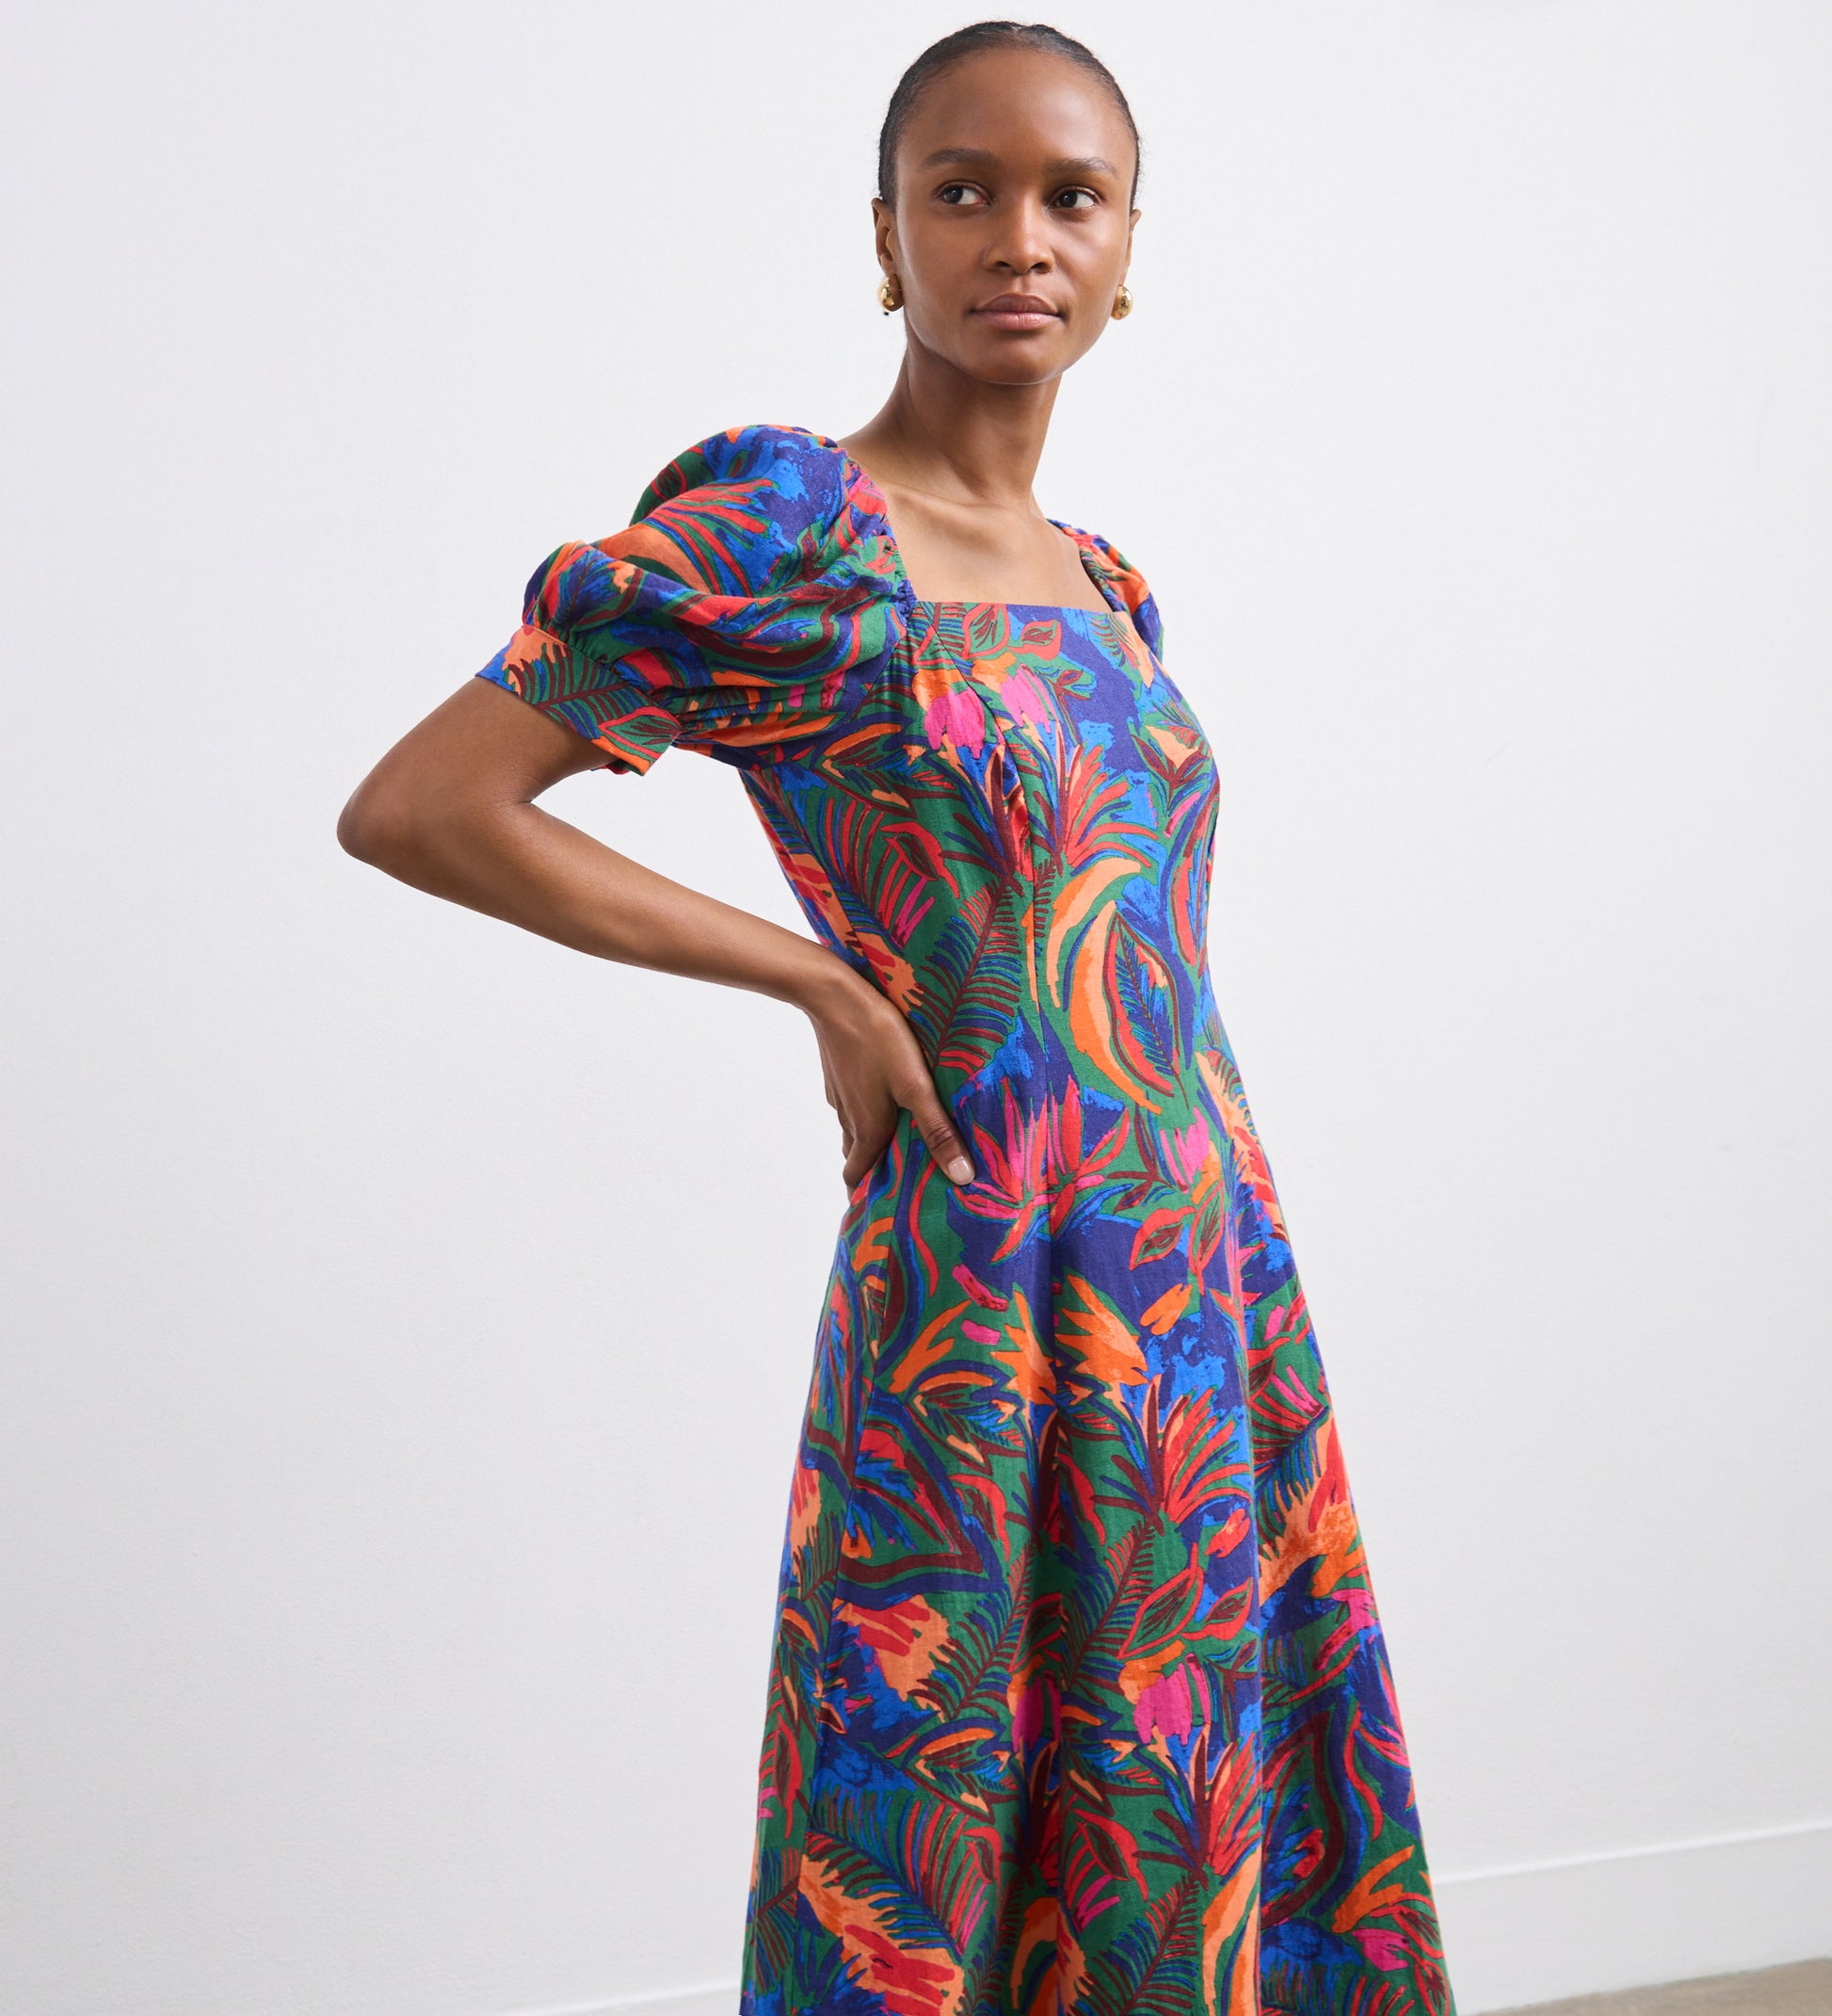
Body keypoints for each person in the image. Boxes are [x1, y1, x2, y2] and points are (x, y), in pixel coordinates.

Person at [338, 21, 1456, 2015]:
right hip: (978, 1276)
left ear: (1127, 250)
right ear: (884, 239)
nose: (1014, 238)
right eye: (961, 190)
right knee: (936, 1798)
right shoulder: (790, 534)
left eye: (1066, 197)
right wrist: (815, 977)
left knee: (1184, 1794)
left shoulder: (1106, 583)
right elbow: (424, 807)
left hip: (1197, 1283)